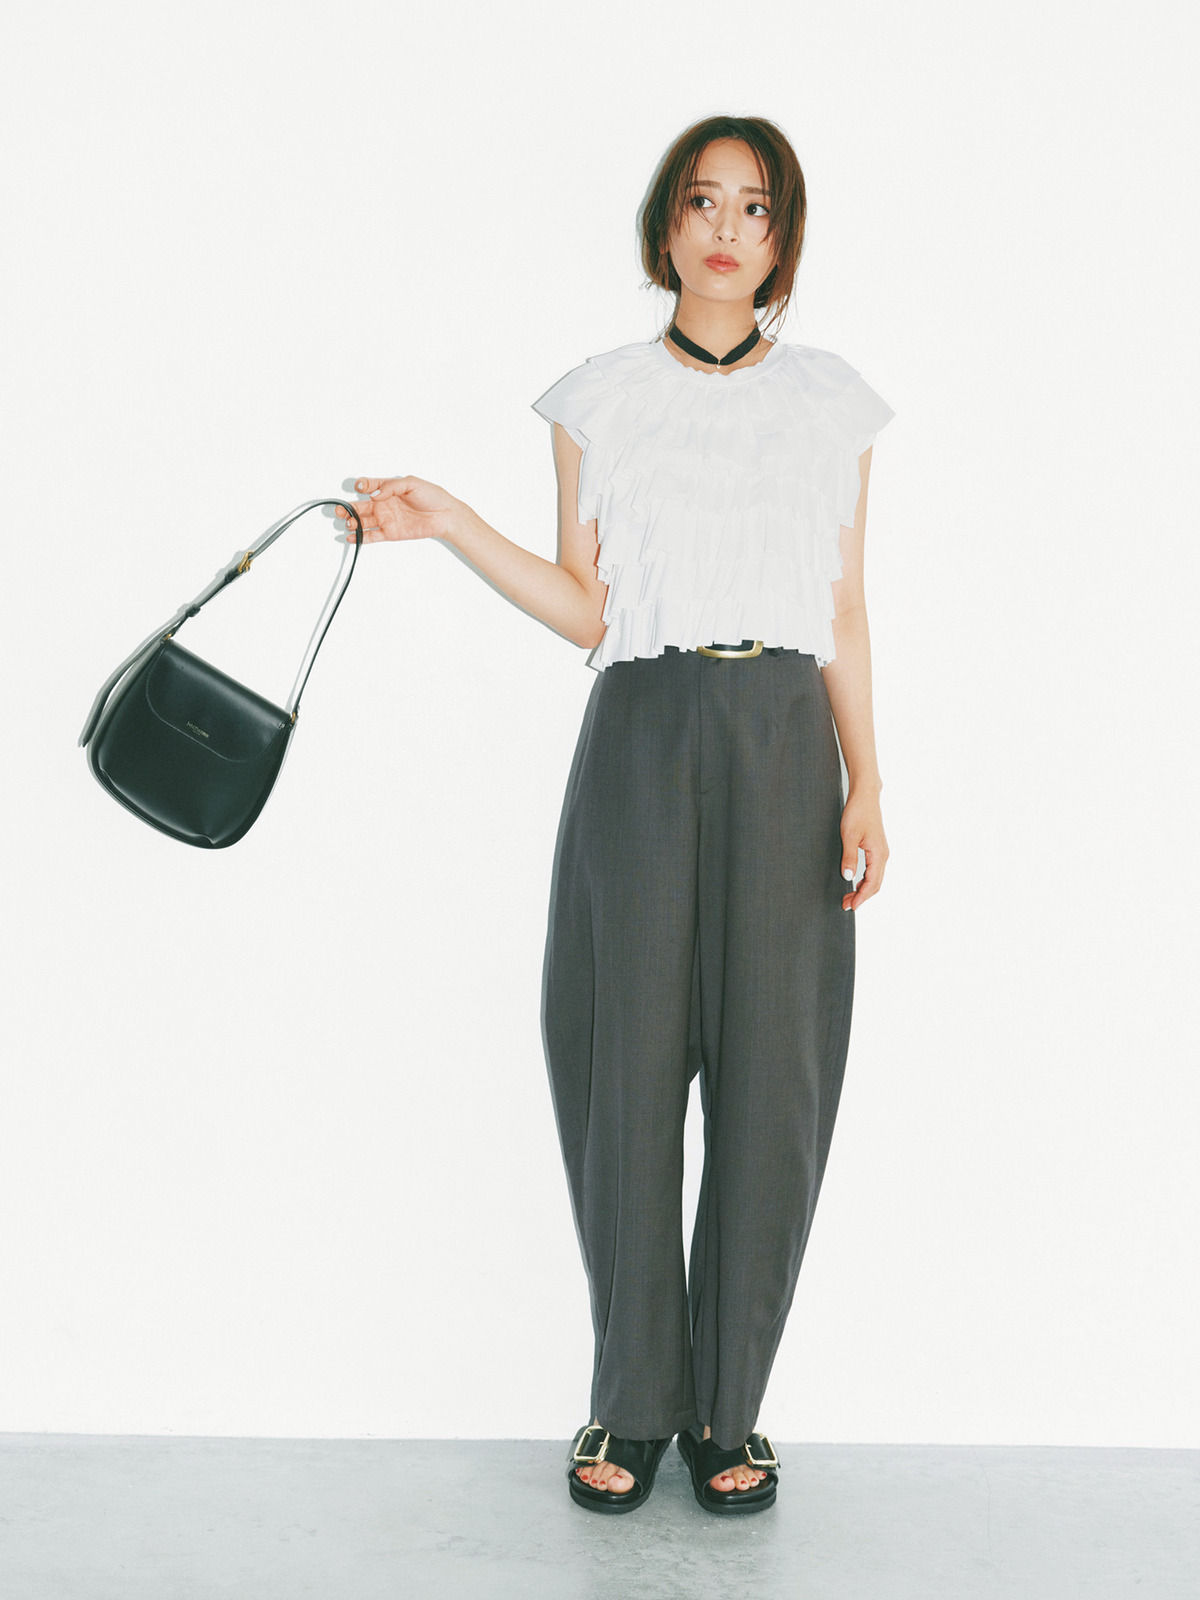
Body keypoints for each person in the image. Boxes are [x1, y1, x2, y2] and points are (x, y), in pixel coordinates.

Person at [336, 114, 894, 1518]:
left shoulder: (831, 404)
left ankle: (729, 1410)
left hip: (786, 739)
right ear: (665, 228)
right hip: (644, 729)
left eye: (754, 208)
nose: (726, 229)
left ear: (783, 239)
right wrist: (452, 524)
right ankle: (635, 1399)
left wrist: (869, 779)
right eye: (702, 202)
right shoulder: (598, 400)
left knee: (774, 1079)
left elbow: (841, 605)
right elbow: (589, 608)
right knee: (625, 1065)